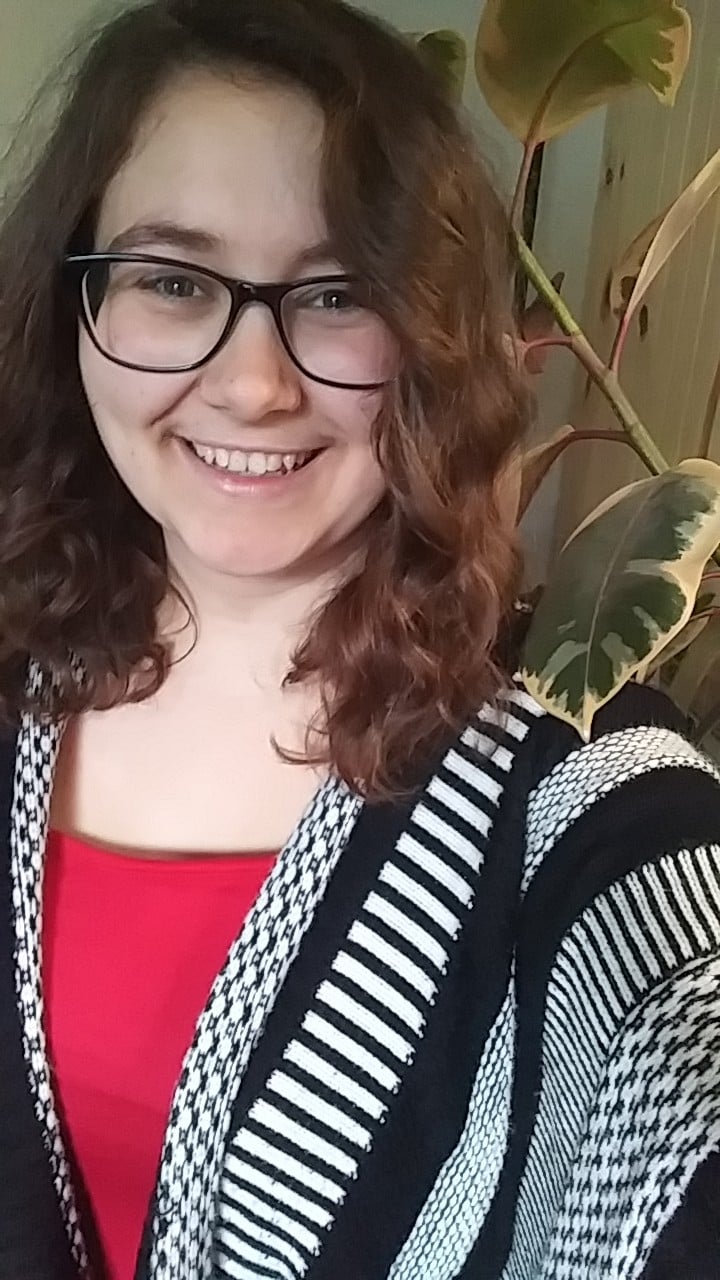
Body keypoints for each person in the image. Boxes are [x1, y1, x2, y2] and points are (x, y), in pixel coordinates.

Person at [0, 1, 718, 1277]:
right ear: (75, 303)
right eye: (172, 279)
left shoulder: (583, 786)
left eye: (337, 294)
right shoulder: (15, 687)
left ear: (433, 336)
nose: (255, 383)